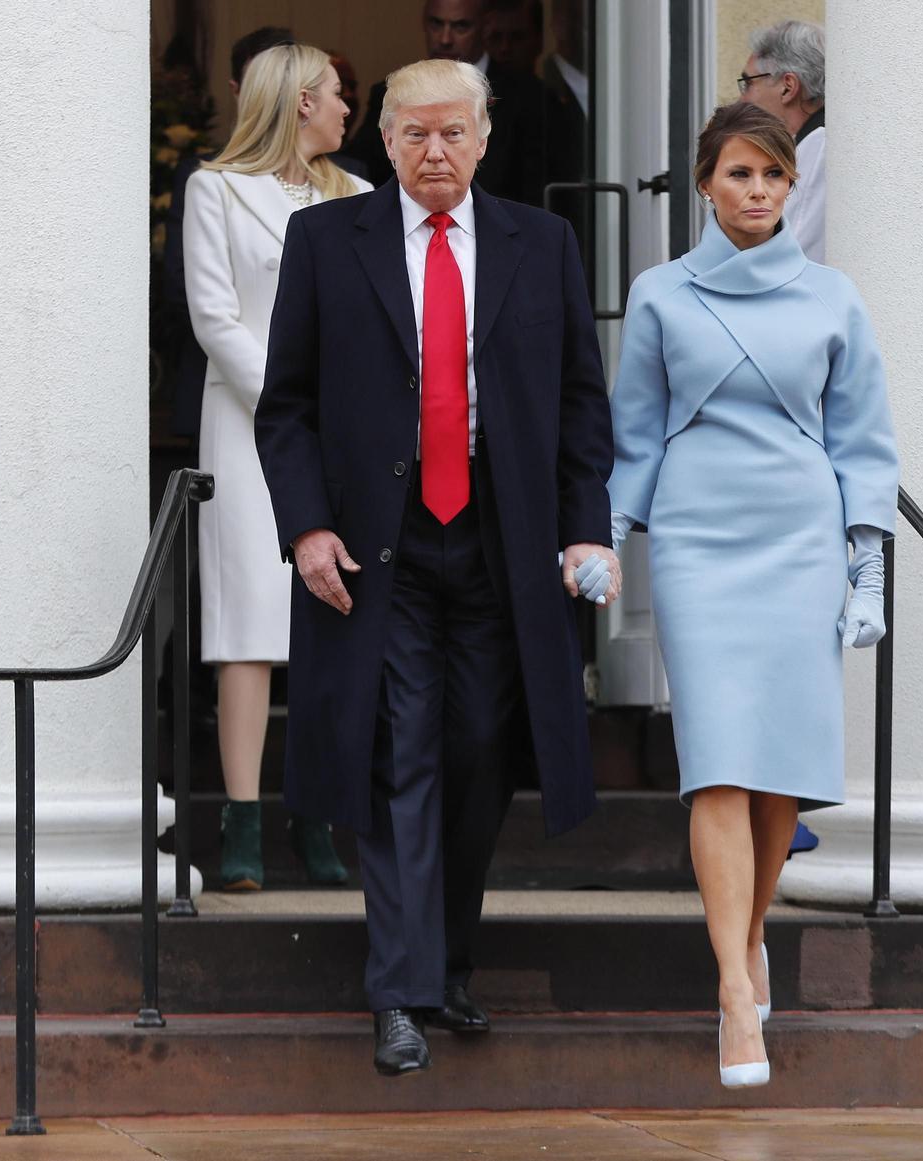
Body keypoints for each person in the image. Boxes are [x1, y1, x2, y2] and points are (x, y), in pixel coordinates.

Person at [255, 58, 619, 1077]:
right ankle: (400, 991)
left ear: (486, 138)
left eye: (454, 133)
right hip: (385, 544)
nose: (434, 152)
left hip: (505, 539)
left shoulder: (540, 243)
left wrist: (585, 528)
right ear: (385, 138)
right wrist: (305, 528)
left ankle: (449, 964)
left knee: (479, 756)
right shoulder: (327, 240)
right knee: (400, 752)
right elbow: (285, 406)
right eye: (415, 133)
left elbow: (580, 403)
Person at [607, 102, 898, 1087]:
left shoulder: (834, 299)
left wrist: (867, 568)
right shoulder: (659, 296)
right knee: (719, 764)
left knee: (781, 772)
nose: (760, 191)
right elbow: (635, 436)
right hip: (698, 542)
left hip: (799, 542)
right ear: (705, 183)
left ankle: (753, 931)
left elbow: (862, 441)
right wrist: (605, 541)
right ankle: (734, 986)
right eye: (740, 174)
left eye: (775, 176)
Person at [183, 44, 372, 890]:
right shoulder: (214, 190)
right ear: (299, 102)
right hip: (248, 427)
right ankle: (244, 820)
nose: (347, 109)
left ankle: (319, 812)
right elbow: (215, 319)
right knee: (248, 633)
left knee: (330, 621)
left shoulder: (362, 195)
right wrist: (296, 401)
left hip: (344, 437)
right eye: (337, 95)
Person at [164, 26, 296, 443]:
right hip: (239, 391)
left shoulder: (351, 180)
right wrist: (281, 393)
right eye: (262, 82)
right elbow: (184, 289)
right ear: (238, 89)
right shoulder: (206, 178)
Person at [343, 0, 548, 205]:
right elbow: (360, 165)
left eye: (461, 26)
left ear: (486, 27)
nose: (445, 39)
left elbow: (537, 183)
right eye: (436, 24)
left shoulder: (529, 95)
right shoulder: (390, 93)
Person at [738, 20, 826, 263]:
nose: (742, 99)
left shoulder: (819, 146)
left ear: (788, 87)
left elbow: (791, 257)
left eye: (748, 83)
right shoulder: (819, 142)